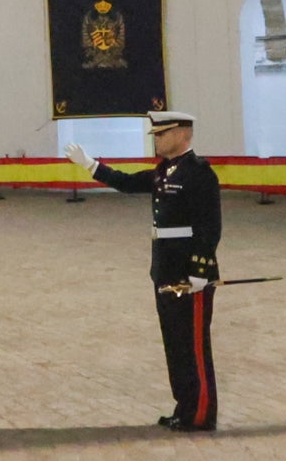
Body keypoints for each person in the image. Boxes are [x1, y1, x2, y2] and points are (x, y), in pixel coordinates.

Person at [72, 110, 222, 432]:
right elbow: (126, 183)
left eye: (161, 134)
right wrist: (90, 164)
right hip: (165, 270)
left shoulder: (199, 173)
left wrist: (200, 269)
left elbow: (210, 226)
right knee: (175, 344)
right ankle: (184, 407)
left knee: (193, 346)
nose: (156, 140)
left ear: (182, 134)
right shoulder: (164, 171)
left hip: (188, 274)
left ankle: (201, 414)